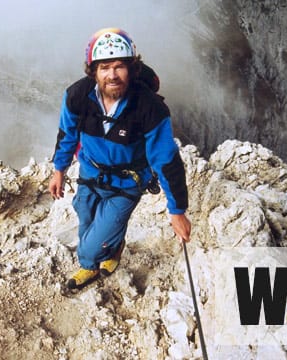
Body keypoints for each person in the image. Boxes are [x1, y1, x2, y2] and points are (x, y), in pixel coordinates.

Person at [49, 28, 191, 289]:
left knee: (91, 244)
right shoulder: (78, 96)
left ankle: (88, 266)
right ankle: (114, 250)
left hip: (127, 183)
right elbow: (67, 133)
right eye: (104, 67)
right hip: (90, 174)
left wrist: (177, 211)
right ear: (94, 71)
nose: (112, 75)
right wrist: (59, 169)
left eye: (119, 67)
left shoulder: (148, 107)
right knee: (85, 218)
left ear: (132, 69)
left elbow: (166, 159)